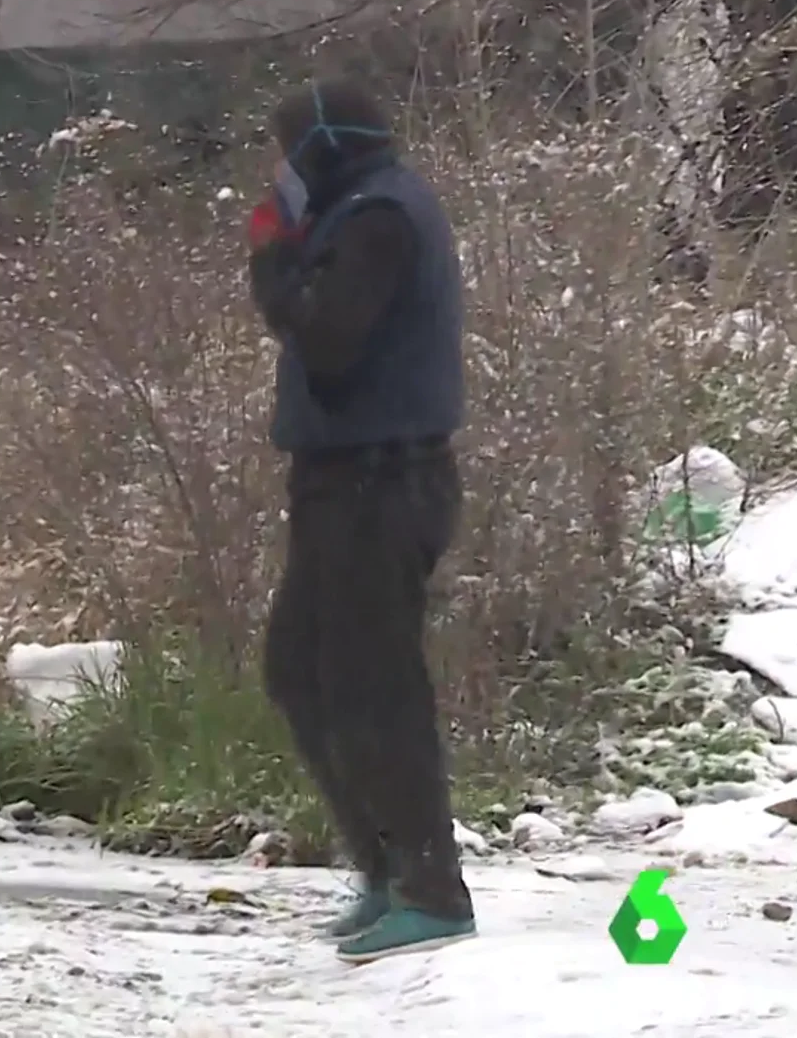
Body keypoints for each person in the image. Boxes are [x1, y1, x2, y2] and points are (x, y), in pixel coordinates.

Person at [246, 78, 475, 963]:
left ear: (324, 149)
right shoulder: (358, 210)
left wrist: (274, 259)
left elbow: (328, 340)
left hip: (385, 481)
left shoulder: (380, 218)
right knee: (303, 672)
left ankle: (432, 887)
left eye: (288, 151)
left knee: (375, 685)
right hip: (342, 482)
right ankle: (383, 870)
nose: (279, 172)